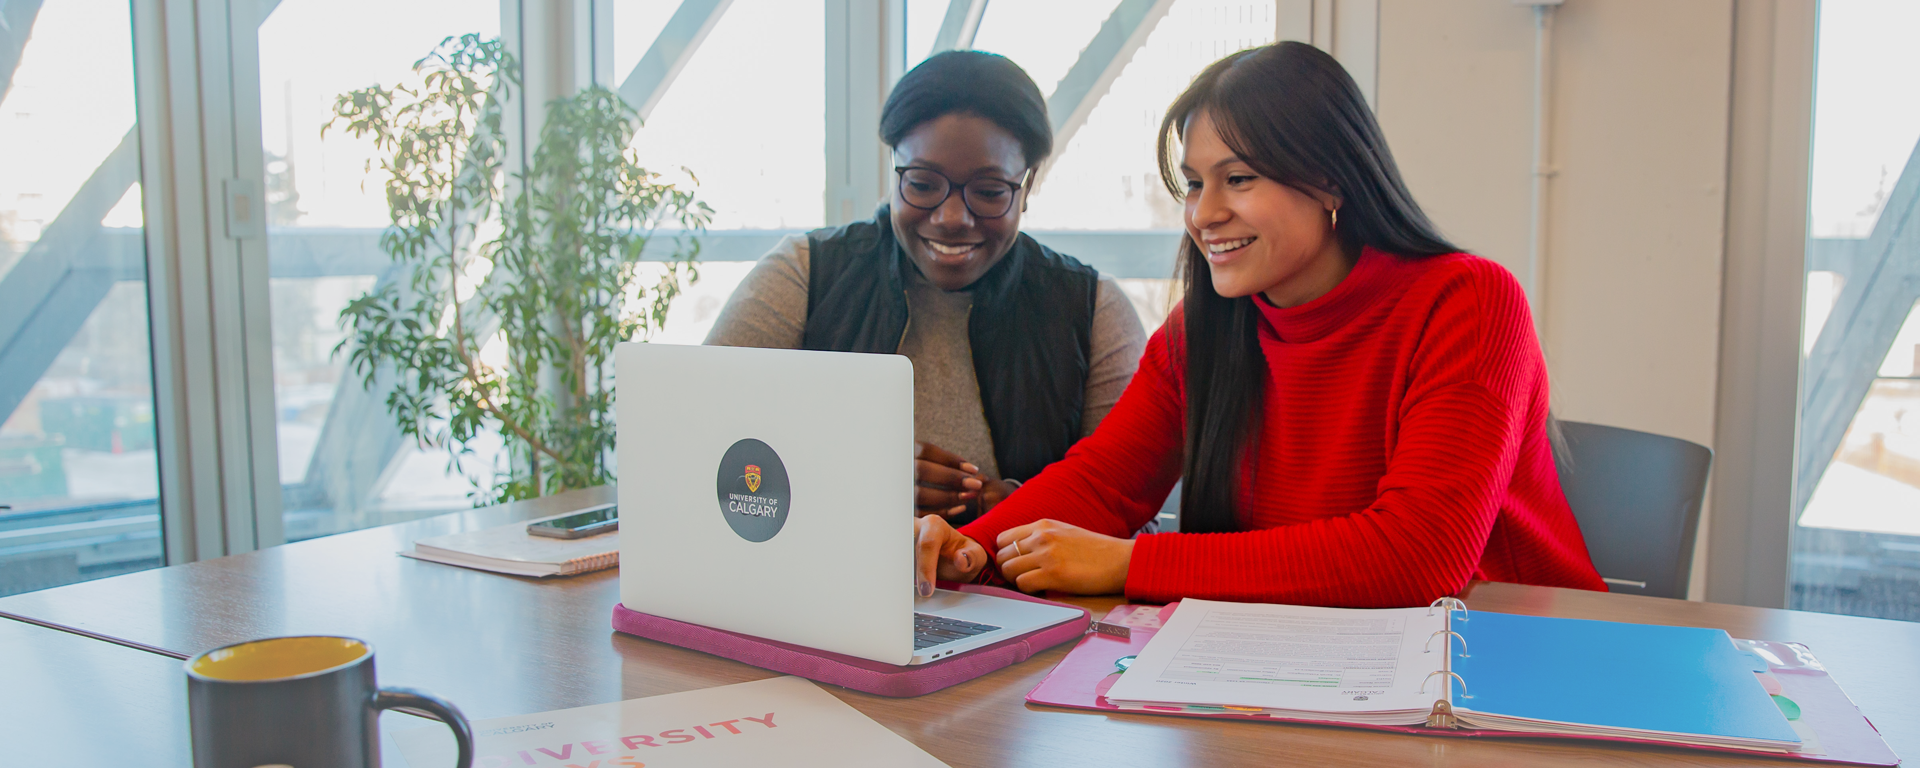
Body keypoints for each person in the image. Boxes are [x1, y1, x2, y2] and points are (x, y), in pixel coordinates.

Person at [912, 42, 1608, 607]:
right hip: (1309, 657)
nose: (1203, 213)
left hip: (1510, 665)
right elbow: (1102, 483)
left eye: (1238, 179)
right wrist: (967, 546)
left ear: (1332, 181)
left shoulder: (1468, 302)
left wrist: (1132, 563)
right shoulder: (1204, 331)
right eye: (1193, 182)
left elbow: (1418, 557)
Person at [705, 51, 1147, 525]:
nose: (952, 218)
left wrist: (1026, 507)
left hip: (1020, 595)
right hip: (822, 587)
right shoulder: (804, 275)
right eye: (921, 184)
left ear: (1028, 184)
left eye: (990, 191)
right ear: (893, 169)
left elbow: (1132, 511)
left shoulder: (1092, 309)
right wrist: (853, 476)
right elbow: (701, 445)